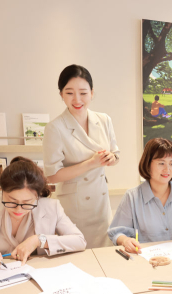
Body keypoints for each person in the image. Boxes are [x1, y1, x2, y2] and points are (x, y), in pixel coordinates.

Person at [43, 64, 120, 248]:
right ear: (61, 94)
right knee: (78, 255)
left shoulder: (104, 120)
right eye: (69, 93)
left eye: (83, 93)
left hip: (101, 204)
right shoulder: (55, 128)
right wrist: (91, 163)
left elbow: (116, 155)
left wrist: (111, 158)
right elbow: (52, 176)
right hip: (74, 207)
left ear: (92, 93)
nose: (77, 99)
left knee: (104, 254)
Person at [0, 157, 86, 269]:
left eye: (27, 203)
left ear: (37, 196)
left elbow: (79, 241)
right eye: (12, 201)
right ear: (1, 191)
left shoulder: (51, 206)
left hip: (35, 275)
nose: (19, 209)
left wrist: (39, 240)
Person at [108, 138, 172, 252]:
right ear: (148, 164)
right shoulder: (132, 197)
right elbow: (117, 232)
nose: (167, 169)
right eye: (161, 163)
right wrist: (125, 241)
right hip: (149, 261)